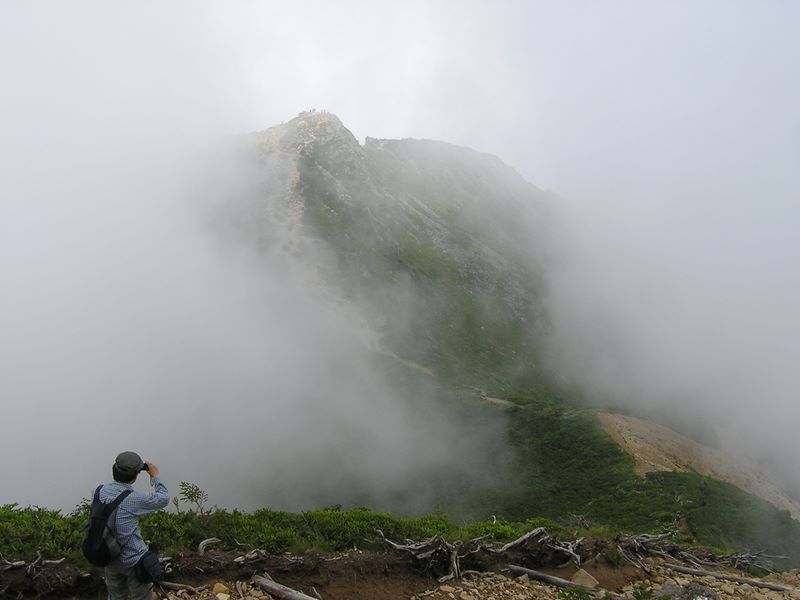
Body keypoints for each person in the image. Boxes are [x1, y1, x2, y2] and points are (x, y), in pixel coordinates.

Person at [98, 451, 170, 600]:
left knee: (115, 596)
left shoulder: (98, 491)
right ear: (136, 475)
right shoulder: (134, 499)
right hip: (133, 559)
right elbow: (163, 498)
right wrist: (155, 476)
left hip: (108, 557)